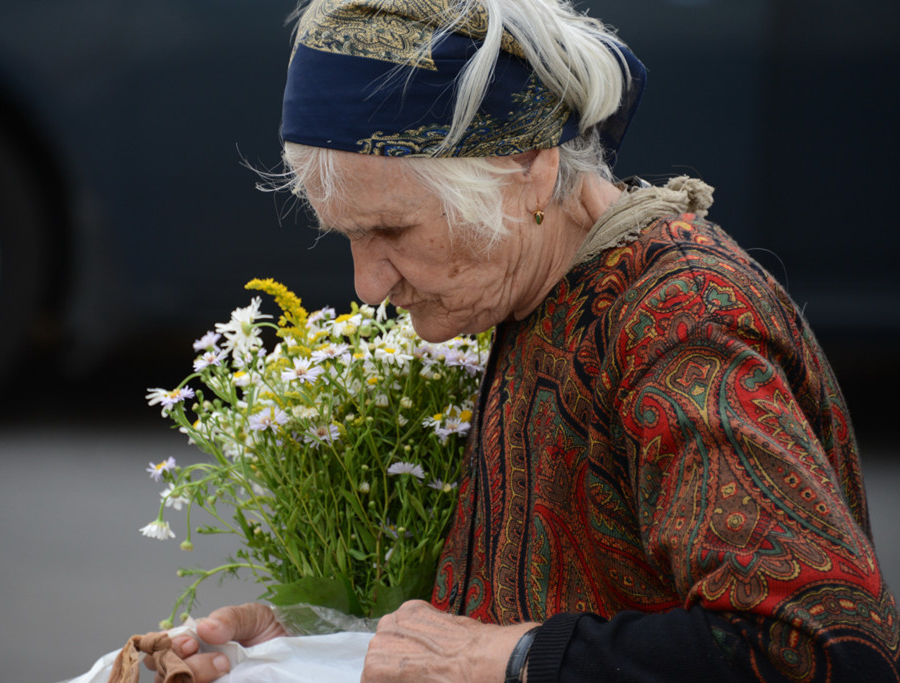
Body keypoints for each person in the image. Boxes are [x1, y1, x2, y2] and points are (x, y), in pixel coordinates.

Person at [155, 0, 900, 680]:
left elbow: (822, 650)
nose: (368, 286)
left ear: (529, 171)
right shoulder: (535, 293)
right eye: (348, 237)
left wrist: (517, 659)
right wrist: (306, 646)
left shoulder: (681, 322)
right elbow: (511, 616)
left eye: (390, 230)